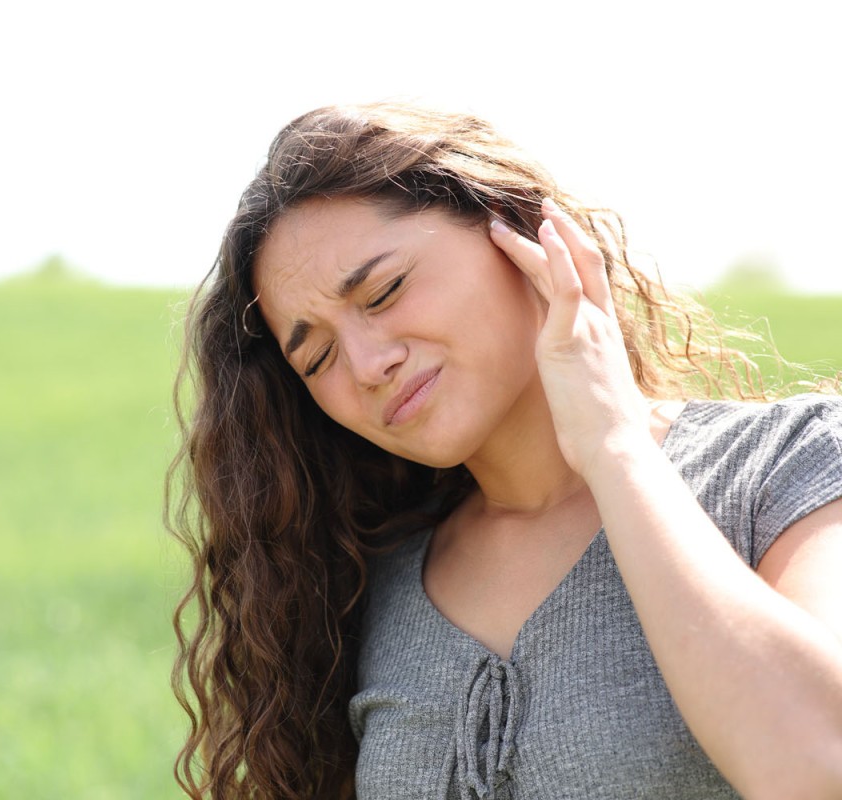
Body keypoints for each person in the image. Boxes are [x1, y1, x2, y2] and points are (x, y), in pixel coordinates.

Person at [166, 102, 842, 800]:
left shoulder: (789, 467)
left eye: (385, 291)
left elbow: (817, 768)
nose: (368, 364)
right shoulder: (366, 581)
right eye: (319, 357)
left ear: (514, 231)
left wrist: (613, 447)